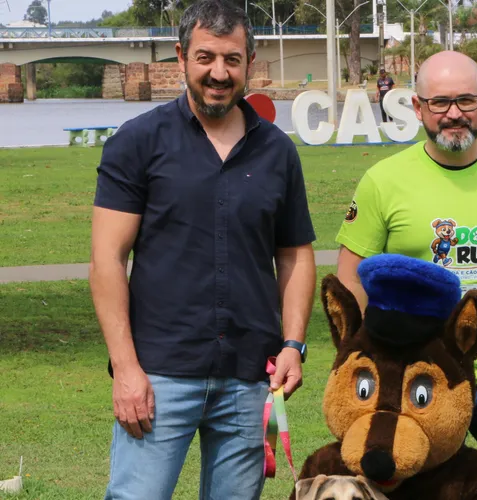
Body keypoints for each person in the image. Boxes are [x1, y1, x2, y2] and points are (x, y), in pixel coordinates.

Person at [89, 1, 316, 498]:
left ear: (249, 62)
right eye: (205, 58)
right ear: (181, 57)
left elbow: (295, 255)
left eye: (232, 59)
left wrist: (293, 344)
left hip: (250, 374)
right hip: (158, 373)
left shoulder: (277, 150)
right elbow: (107, 260)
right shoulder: (138, 142)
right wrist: (125, 368)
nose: (219, 73)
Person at [334, 50, 477, 500]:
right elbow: (350, 279)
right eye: (439, 102)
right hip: (410, 383)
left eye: (465, 100)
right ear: (418, 107)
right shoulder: (383, 180)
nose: (454, 113)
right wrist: (360, 361)